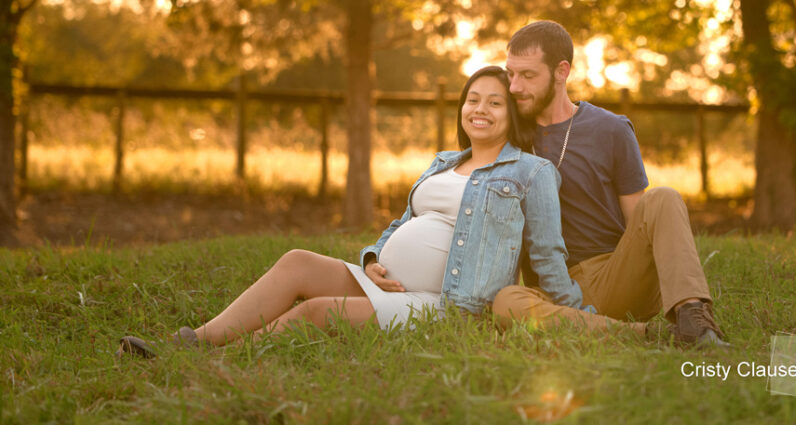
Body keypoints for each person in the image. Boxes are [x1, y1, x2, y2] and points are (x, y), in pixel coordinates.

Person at [118, 66, 588, 358]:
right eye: (472, 99)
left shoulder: (532, 171)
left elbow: (547, 253)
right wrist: (371, 261)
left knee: (318, 312)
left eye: (494, 103)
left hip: (449, 306)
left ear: (512, 115)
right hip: (392, 284)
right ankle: (193, 341)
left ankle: (217, 360)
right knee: (298, 260)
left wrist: (579, 314)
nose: (479, 109)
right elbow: (399, 225)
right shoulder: (444, 161)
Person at [491, 21, 729, 347]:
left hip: (615, 277)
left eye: (528, 76)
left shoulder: (611, 129)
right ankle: (644, 335)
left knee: (662, 198)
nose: (515, 86)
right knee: (505, 302)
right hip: (548, 290)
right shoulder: (507, 133)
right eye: (511, 74)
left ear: (562, 71)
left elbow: (640, 223)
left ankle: (694, 320)